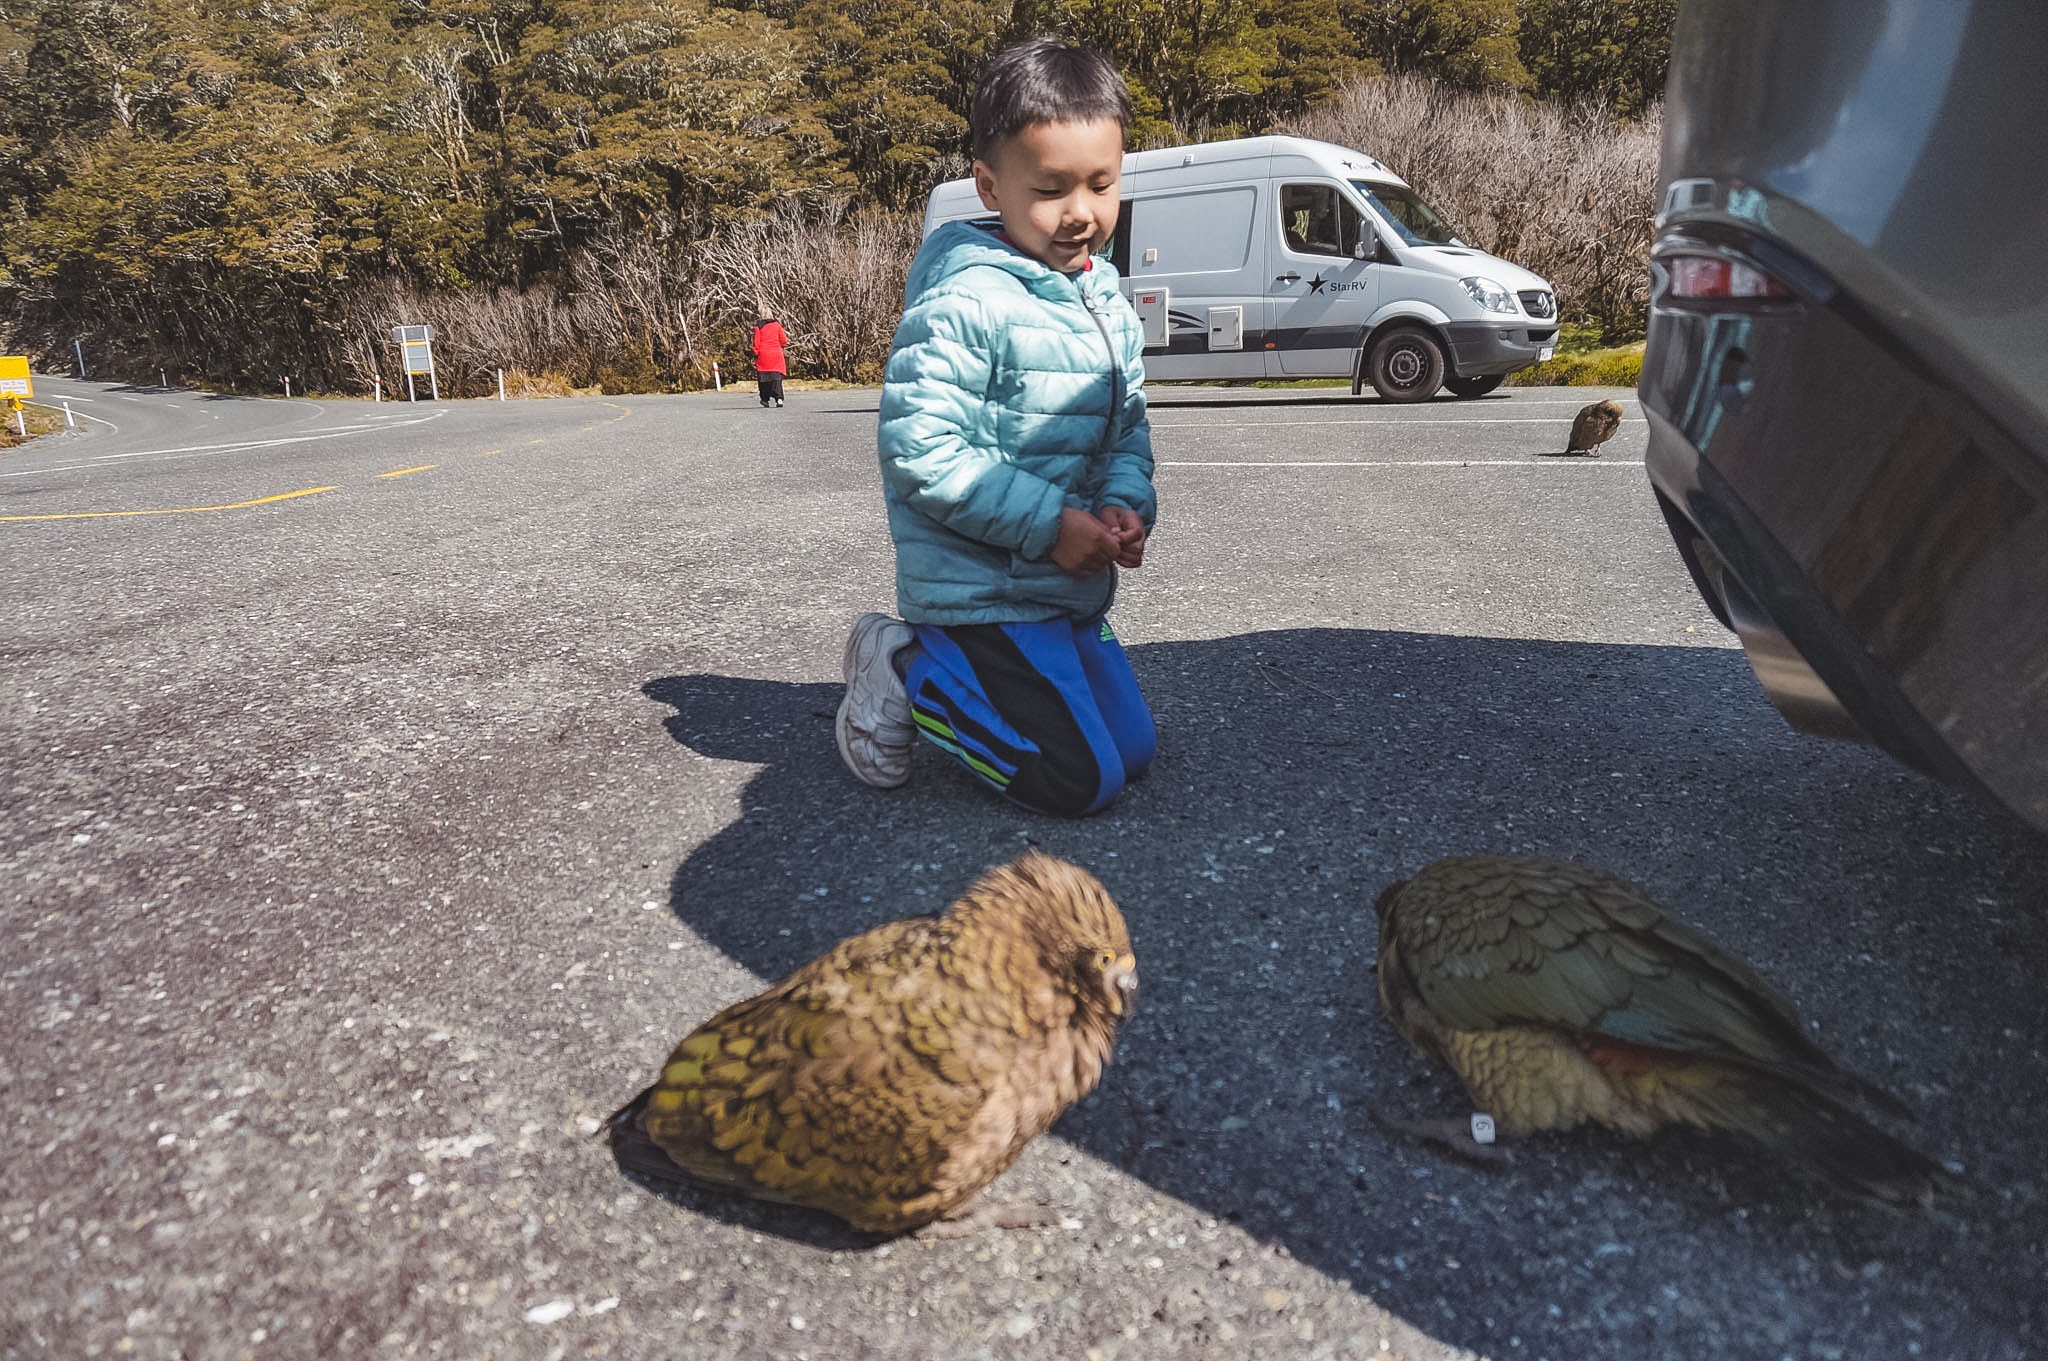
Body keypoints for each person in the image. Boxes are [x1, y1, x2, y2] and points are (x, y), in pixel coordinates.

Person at [834, 36, 1156, 819]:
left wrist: (1124, 504)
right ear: (989, 185)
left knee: (1136, 751)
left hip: (1064, 585)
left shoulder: (1103, 298)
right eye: (1050, 189)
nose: (1081, 212)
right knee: (1079, 780)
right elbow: (921, 449)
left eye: (1101, 184)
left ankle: (979, 675)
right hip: (984, 591)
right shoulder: (966, 301)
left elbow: (1127, 430)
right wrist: (1050, 526)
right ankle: (906, 664)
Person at [751, 313, 787, 407]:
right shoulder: (777, 325)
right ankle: (779, 398)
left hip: (763, 355)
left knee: (763, 380)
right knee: (776, 379)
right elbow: (784, 340)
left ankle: (765, 399)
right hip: (776, 354)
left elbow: (756, 343)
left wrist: (755, 353)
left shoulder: (758, 327)